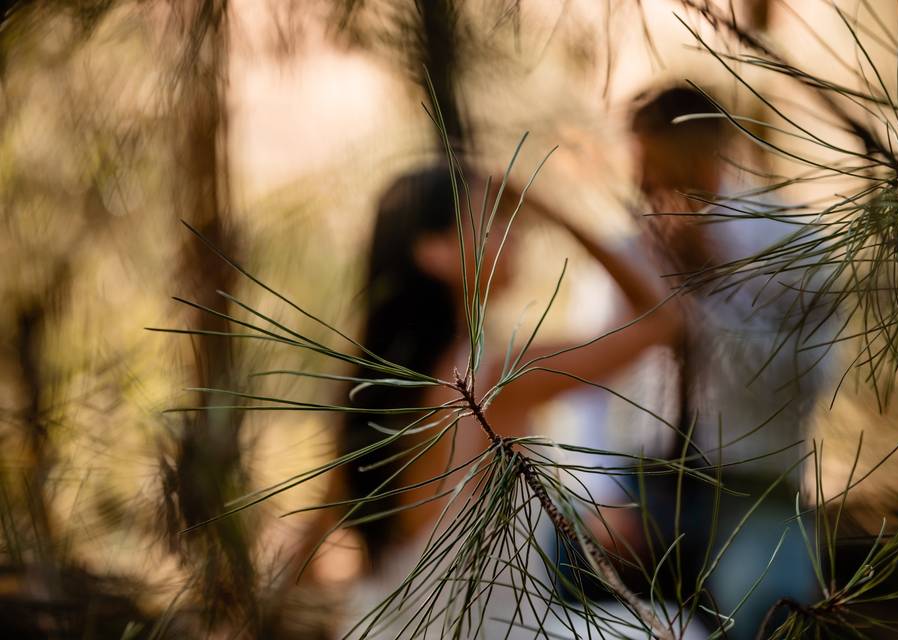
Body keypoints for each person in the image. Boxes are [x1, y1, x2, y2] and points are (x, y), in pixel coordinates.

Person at [284, 163, 684, 636]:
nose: (514, 229)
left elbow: (307, 552)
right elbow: (662, 319)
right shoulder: (491, 379)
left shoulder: (377, 391)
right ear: (434, 252)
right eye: (491, 217)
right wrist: (551, 206)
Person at [621, 85, 833, 638]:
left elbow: (804, 383)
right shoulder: (628, 250)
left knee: (765, 607)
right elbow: (598, 382)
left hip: (755, 487)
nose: (644, 184)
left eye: (657, 162)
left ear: (711, 148)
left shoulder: (792, 243)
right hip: (643, 482)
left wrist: (713, 289)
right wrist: (603, 494)